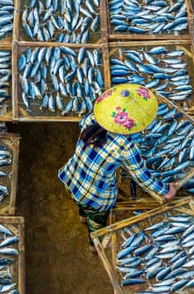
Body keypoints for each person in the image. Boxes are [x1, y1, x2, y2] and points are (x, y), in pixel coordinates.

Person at [59, 84, 176, 238]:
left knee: (82, 205)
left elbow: (93, 134)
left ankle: (82, 216)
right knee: (96, 223)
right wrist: (166, 191)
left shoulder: (91, 120)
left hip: (71, 178)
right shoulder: (126, 146)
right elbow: (142, 176)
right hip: (94, 197)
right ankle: (95, 244)